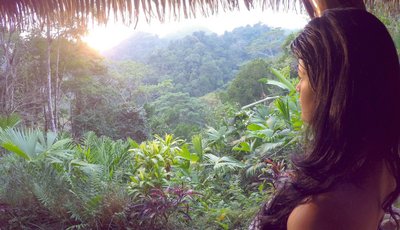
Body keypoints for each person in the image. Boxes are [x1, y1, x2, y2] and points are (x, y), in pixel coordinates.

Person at [250, 8, 400, 230]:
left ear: (333, 87)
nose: (297, 88)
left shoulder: (317, 215)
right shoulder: (382, 162)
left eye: (301, 76)